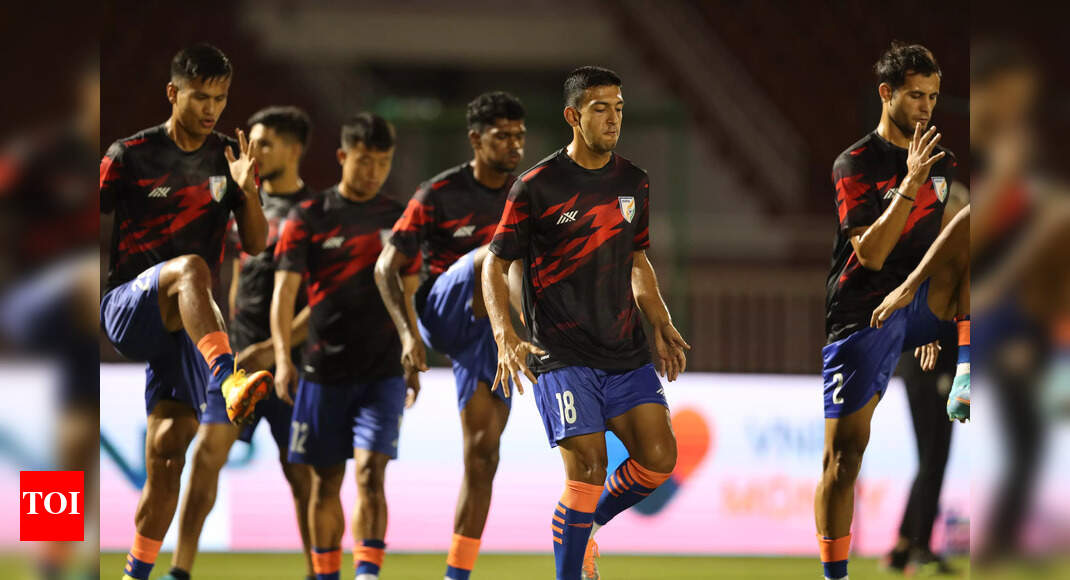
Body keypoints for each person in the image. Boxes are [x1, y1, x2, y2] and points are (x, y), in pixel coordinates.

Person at [481, 66, 690, 580]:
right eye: (600, 109)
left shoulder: (633, 181)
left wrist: (659, 319)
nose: (613, 118)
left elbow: (637, 260)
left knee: (659, 460)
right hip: (561, 352)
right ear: (573, 117)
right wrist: (505, 334)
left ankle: (584, 527)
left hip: (624, 349)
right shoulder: (536, 186)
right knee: (589, 471)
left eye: (618, 108)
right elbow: (495, 264)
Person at [99, 43, 272, 580]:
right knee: (192, 269)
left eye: (220, 98)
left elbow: (257, 244)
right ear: (173, 93)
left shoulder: (229, 158)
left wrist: (247, 192)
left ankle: (135, 574)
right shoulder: (128, 156)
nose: (211, 109)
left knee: (169, 452)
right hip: (130, 306)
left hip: (188, 330)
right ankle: (230, 378)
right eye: (200, 96)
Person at [815, 42, 966, 580]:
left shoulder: (944, 165)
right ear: (887, 94)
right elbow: (872, 255)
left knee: (972, 224)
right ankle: (835, 575)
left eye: (933, 97)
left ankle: (966, 361)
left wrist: (930, 315)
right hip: (861, 314)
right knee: (844, 459)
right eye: (916, 95)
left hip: (913, 305)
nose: (926, 108)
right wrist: (910, 182)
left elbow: (935, 247)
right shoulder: (854, 163)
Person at [374, 91, 526, 580]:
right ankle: (538, 338)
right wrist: (407, 336)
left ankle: (455, 575)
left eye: (520, 136)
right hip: (443, 313)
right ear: (475, 140)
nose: (515, 145)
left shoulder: (525, 195)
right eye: (502, 136)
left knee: (483, 456)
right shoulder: (436, 194)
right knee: (490, 257)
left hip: (489, 335)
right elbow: (385, 268)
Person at [165, 106, 316, 580]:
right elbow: (236, 281)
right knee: (206, 455)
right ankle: (179, 570)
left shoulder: (317, 213)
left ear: (295, 149)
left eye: (265, 143)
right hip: (240, 364)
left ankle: (320, 572)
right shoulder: (241, 207)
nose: (254, 152)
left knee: (302, 476)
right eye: (252, 142)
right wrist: (230, 344)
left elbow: (325, 300)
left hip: (294, 365)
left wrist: (276, 348)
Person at [272, 113, 416, 580]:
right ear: (342, 156)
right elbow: (284, 296)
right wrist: (282, 360)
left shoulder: (399, 218)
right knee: (325, 481)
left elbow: (409, 292)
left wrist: (413, 348)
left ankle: (367, 574)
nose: (374, 171)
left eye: (383, 162)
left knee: (372, 474)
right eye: (364, 160)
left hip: (383, 372)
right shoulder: (309, 217)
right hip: (322, 372)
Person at [871, 204, 971, 574]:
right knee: (933, 458)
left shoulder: (944, 255)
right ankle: (918, 548)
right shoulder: (933, 255)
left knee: (931, 459)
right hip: (929, 368)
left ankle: (905, 545)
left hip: (933, 365)